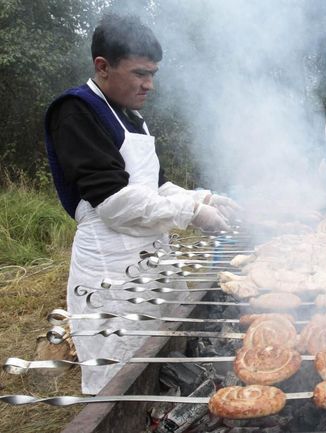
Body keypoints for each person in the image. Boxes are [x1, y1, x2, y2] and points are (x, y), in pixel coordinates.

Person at [44, 14, 237, 394]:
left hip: (151, 255)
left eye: (154, 74)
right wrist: (195, 213)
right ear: (103, 66)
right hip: (111, 267)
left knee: (166, 346)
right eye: (139, 73)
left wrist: (207, 198)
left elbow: (154, 185)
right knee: (122, 365)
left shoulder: (132, 117)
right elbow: (115, 202)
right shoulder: (77, 110)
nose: (149, 84)